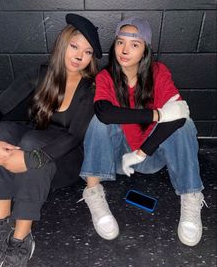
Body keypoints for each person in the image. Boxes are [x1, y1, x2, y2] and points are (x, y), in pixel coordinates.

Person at [0, 13, 102, 267]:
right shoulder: (39, 74)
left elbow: (74, 138)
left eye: (88, 51)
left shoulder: (91, 88)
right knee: (1, 131)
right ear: (62, 44)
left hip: (65, 160)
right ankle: (2, 227)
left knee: (31, 140)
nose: (80, 56)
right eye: (74, 46)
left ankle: (21, 239)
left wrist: (29, 159)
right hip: (31, 143)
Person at [79, 17, 206, 247]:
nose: (125, 50)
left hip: (150, 156)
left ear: (145, 49)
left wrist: (141, 152)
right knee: (99, 122)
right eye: (120, 42)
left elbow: (178, 116)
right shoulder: (106, 76)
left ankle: (190, 196)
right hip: (117, 159)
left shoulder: (158, 72)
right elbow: (105, 113)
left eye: (134, 45)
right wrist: (157, 114)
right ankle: (93, 193)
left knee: (184, 124)